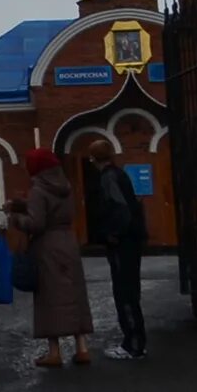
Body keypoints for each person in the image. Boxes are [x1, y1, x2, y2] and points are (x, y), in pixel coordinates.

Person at [6, 147, 93, 367]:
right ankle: (82, 347)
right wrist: (23, 205)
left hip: (48, 246)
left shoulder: (38, 189)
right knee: (74, 293)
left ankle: (54, 352)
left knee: (49, 297)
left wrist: (15, 217)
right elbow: (54, 210)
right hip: (68, 241)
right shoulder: (66, 186)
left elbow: (36, 223)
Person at [84, 149, 149, 360]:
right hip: (131, 240)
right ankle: (136, 341)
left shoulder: (108, 177)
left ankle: (132, 344)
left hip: (122, 242)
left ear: (94, 158)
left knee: (124, 292)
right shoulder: (119, 174)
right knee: (131, 290)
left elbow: (120, 208)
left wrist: (113, 233)